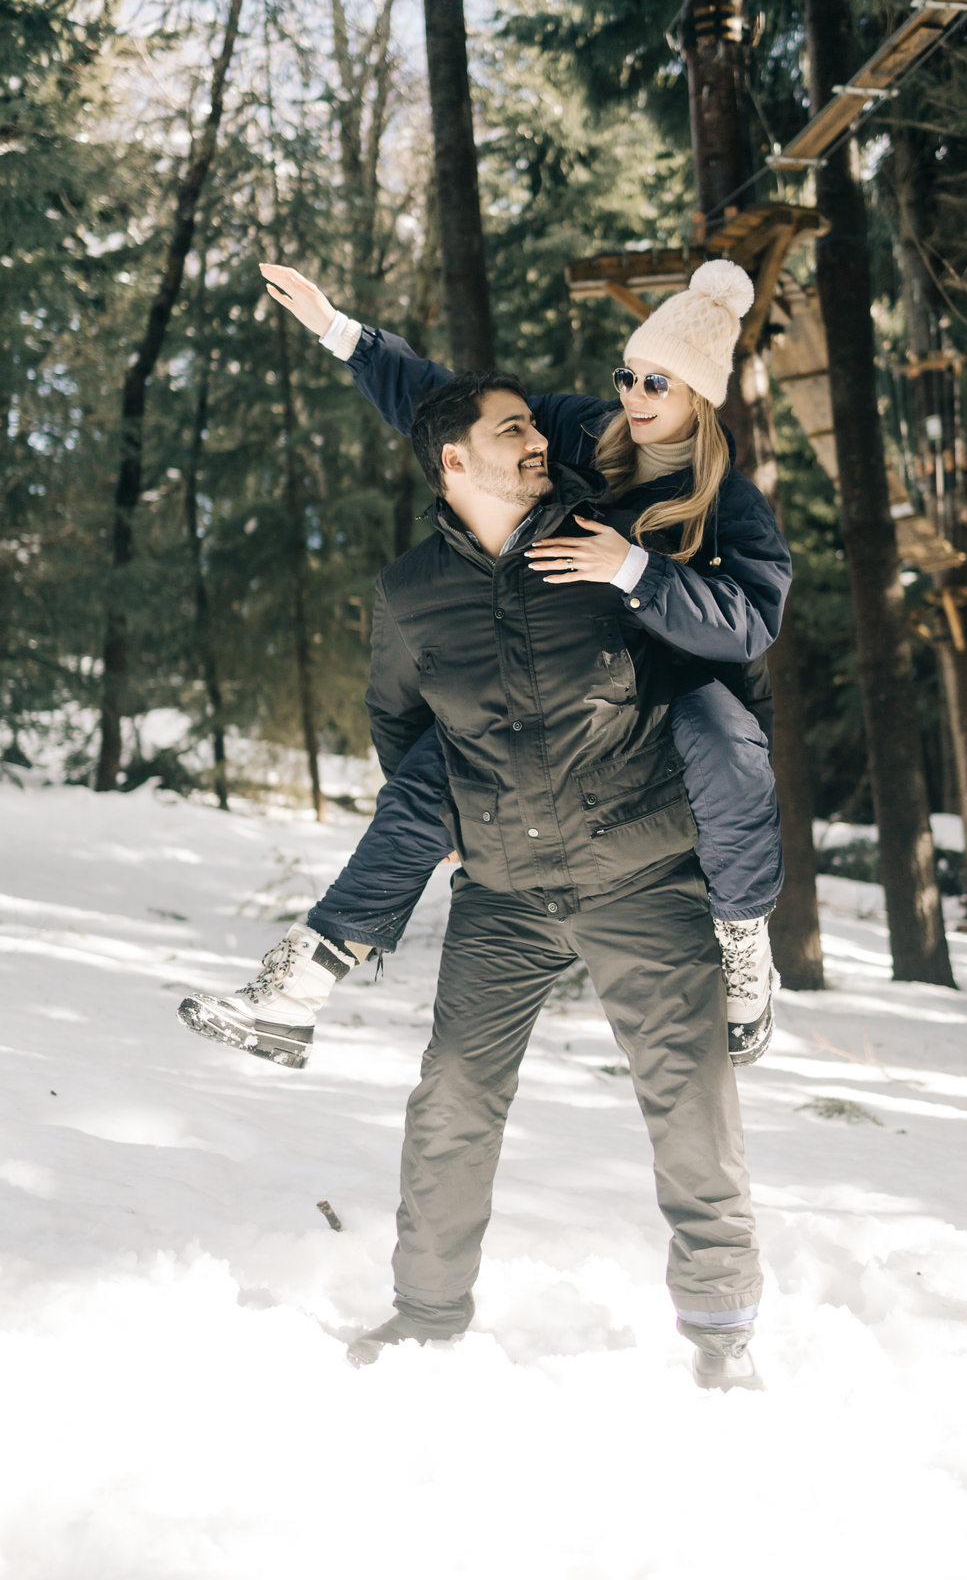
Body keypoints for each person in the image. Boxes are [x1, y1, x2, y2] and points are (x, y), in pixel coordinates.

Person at [228, 365, 767, 1387]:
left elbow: (717, 670)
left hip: (643, 873)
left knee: (692, 1107)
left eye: (533, 427)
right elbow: (402, 728)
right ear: (453, 458)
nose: (538, 443)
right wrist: (462, 828)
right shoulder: (410, 594)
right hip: (504, 892)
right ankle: (426, 1318)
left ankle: (723, 1340)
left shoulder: (603, 548)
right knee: (452, 1101)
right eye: (513, 429)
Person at [179, 261, 792, 1077]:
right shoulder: (584, 431)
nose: (637, 396)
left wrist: (635, 571)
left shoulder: (728, 501)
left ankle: (745, 943)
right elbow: (454, 419)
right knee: (443, 766)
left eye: (660, 383)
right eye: (631, 374)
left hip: (670, 688)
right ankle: (294, 990)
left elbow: (752, 621)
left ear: (700, 397)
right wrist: (339, 331)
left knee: (726, 743)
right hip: (567, 679)